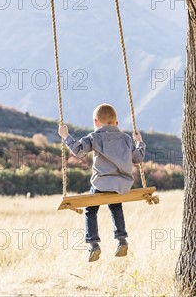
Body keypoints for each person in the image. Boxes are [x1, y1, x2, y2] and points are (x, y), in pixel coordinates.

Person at [58, 103, 146, 262]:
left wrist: (66, 136)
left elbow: (78, 151)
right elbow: (138, 158)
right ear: (117, 123)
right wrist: (140, 143)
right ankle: (121, 240)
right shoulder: (126, 138)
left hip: (101, 185)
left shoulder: (94, 137)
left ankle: (93, 244)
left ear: (96, 122)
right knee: (116, 205)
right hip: (122, 186)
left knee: (90, 210)